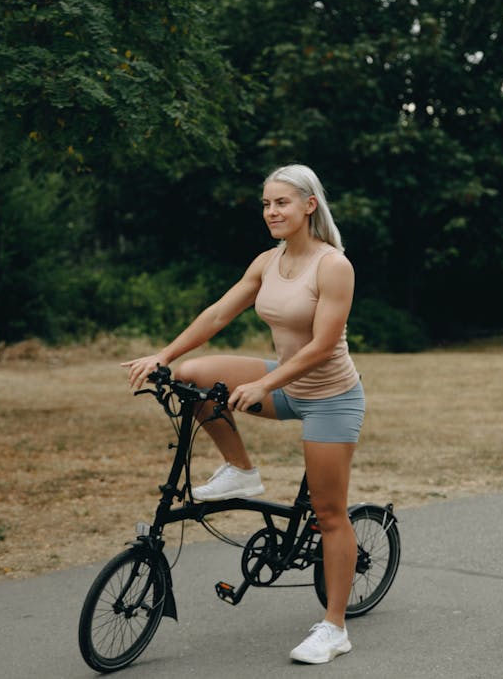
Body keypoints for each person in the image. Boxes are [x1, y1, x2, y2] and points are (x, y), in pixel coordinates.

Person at [122, 164, 364, 665]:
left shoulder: (333, 265)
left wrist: (262, 384)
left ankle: (334, 626)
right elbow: (217, 314)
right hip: (283, 382)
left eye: (282, 203)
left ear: (309, 206)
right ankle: (241, 471)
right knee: (193, 374)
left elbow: (321, 347)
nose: (272, 212)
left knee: (329, 514)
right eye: (266, 204)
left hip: (329, 397)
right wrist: (163, 356)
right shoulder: (266, 262)